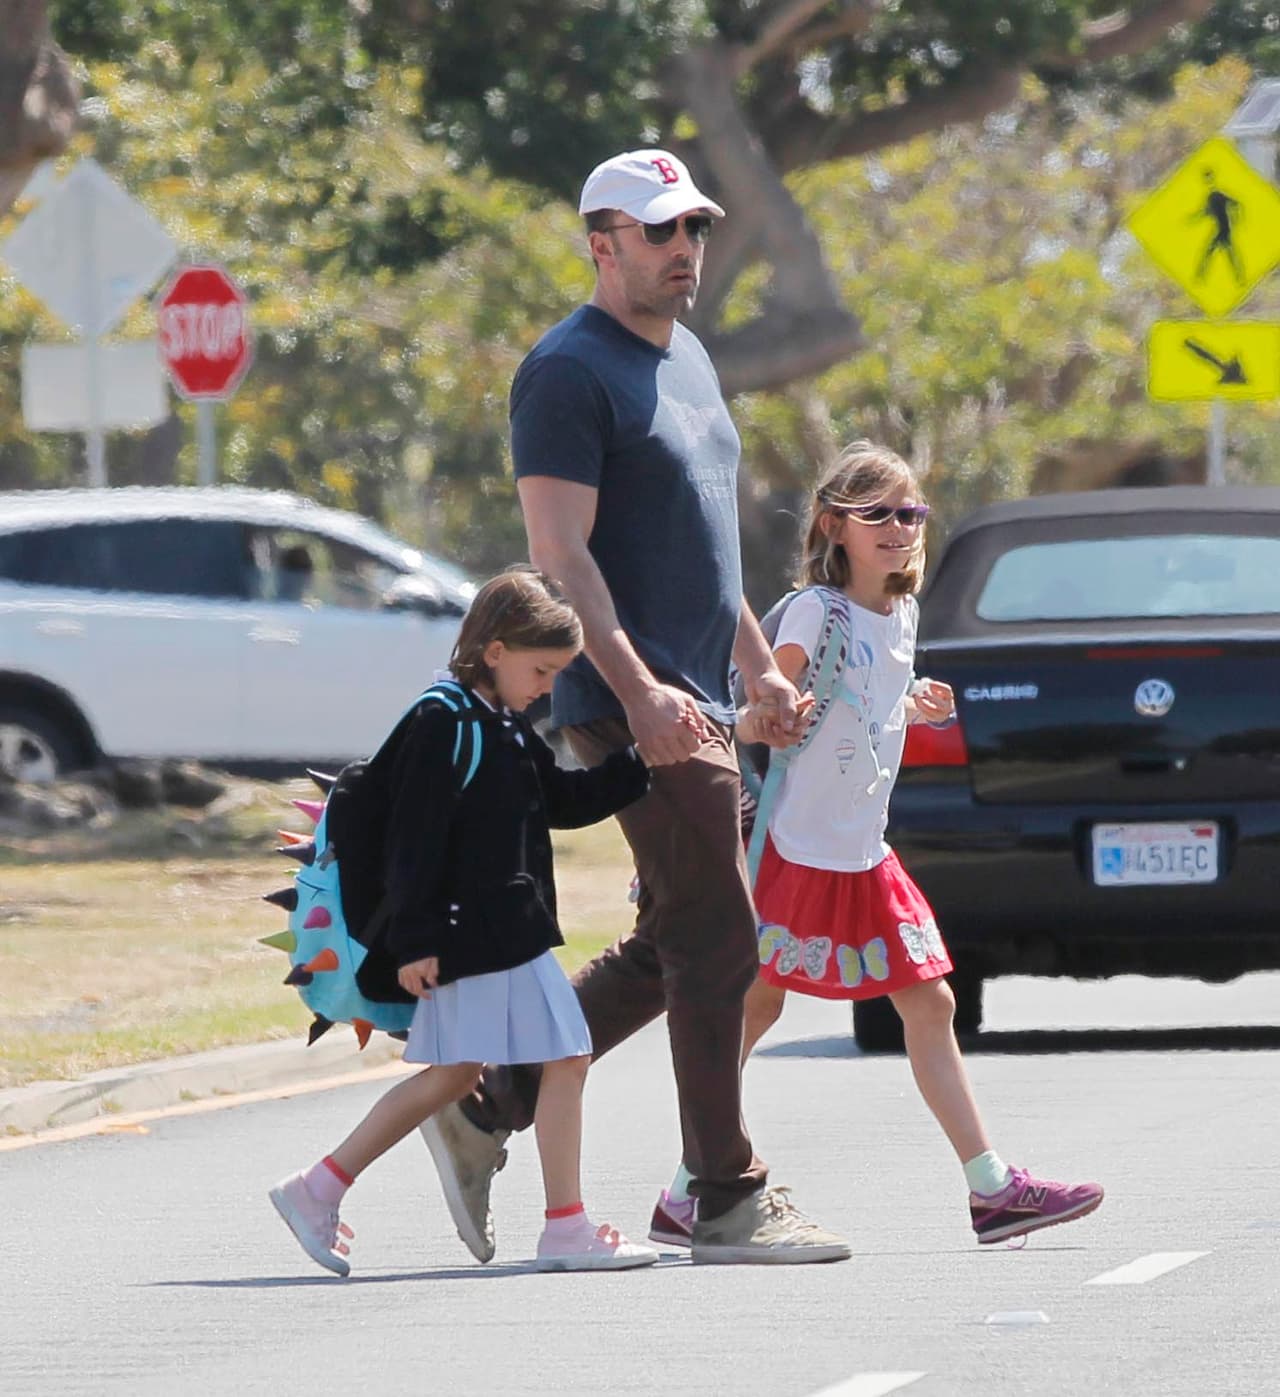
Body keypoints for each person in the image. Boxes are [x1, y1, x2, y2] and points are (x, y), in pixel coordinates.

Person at [420, 149, 851, 1266]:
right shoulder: (566, 372)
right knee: (720, 936)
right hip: (625, 700)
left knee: (677, 935)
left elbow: (705, 557)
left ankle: (483, 1106)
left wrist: (758, 667)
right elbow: (558, 555)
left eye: (693, 230)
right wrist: (638, 689)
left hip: (697, 693)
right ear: (598, 243)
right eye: (658, 231)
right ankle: (725, 1193)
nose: (682, 250)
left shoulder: (692, 359)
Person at [651, 441, 1105, 1249]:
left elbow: (863, 711)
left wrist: (913, 705)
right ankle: (691, 1187)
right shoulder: (811, 613)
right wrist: (768, 713)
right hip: (795, 849)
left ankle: (992, 1190)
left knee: (930, 1002)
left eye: (911, 512)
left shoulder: (903, 613)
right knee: (754, 1008)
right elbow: (762, 707)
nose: (900, 528)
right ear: (834, 526)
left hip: (864, 852)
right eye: (879, 515)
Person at [268, 566, 658, 1275]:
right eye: (542, 669)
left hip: (501, 928)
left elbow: (562, 802)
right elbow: (413, 841)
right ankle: (564, 1225)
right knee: (563, 1053)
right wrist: (415, 940)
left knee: (456, 1075)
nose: (547, 686)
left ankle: (316, 1186)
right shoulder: (441, 720)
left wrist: (640, 760)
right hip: (470, 935)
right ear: (495, 649)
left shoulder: (502, 723)